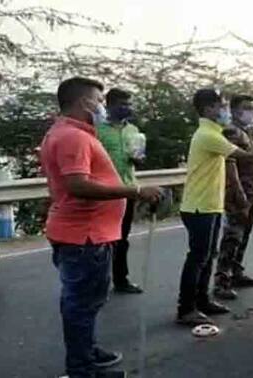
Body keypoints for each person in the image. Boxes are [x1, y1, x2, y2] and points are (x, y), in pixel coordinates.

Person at [40, 77, 162, 378]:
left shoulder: (72, 133)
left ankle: (88, 351)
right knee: (80, 304)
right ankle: (82, 369)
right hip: (84, 236)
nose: (102, 107)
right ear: (84, 103)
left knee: (89, 300)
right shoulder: (73, 137)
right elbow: (78, 185)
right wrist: (133, 191)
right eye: (98, 100)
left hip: (87, 232)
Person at [176, 88, 253, 327]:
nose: (224, 111)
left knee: (207, 255)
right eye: (221, 106)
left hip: (210, 204)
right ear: (207, 109)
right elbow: (244, 157)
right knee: (197, 258)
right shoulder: (208, 135)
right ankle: (186, 308)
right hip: (198, 206)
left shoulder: (216, 132)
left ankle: (203, 301)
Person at [213, 94, 253, 300]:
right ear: (234, 110)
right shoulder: (232, 131)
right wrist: (237, 191)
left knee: (244, 233)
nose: (251, 112)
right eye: (246, 108)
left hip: (250, 191)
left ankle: (236, 272)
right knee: (233, 236)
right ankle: (222, 280)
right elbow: (230, 161)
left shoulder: (244, 132)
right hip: (238, 192)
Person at [96, 88, 144, 294]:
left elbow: (139, 159)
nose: (127, 108)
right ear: (109, 105)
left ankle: (121, 280)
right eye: (122, 104)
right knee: (103, 240)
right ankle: (99, 282)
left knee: (122, 238)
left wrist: (138, 159)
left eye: (129, 104)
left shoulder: (133, 130)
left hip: (128, 189)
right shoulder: (97, 130)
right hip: (105, 191)